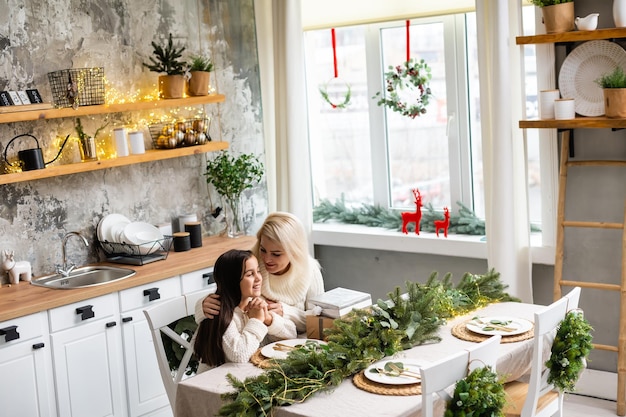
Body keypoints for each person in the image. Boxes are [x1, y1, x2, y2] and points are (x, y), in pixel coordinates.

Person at [196, 212, 324, 333]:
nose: (267, 259)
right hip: (253, 346)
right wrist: (202, 307)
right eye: (263, 250)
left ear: (294, 251)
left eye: (276, 254)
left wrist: (286, 312)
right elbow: (225, 295)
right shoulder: (249, 262)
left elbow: (320, 321)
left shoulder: (310, 270)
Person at [193, 249, 296, 373]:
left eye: (258, 271)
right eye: (249, 274)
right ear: (232, 281)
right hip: (214, 386)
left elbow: (292, 334)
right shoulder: (220, 313)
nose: (258, 278)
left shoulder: (255, 303)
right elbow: (239, 354)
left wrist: (268, 319)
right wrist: (256, 321)